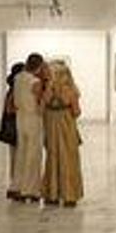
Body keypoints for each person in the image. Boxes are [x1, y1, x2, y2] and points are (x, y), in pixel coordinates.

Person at [41, 60, 84, 207]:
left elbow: (42, 107)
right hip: (67, 127)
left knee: (52, 158)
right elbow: (76, 112)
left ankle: (51, 195)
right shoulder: (71, 90)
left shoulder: (48, 90)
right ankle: (69, 195)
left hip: (51, 127)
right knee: (69, 159)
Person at [9, 53, 47, 202]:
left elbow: (14, 100)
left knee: (21, 153)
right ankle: (30, 190)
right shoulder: (35, 81)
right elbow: (39, 106)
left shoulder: (18, 78)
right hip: (33, 119)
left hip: (20, 118)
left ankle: (16, 186)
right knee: (33, 153)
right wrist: (47, 91)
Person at [2, 61, 24, 199]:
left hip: (14, 127)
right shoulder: (14, 90)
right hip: (15, 128)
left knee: (16, 157)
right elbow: (10, 109)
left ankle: (16, 185)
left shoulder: (13, 88)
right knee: (17, 158)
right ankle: (16, 186)